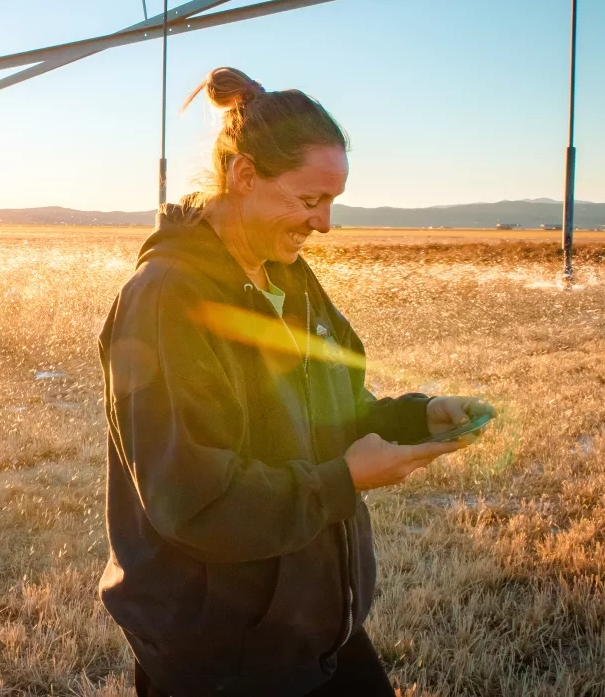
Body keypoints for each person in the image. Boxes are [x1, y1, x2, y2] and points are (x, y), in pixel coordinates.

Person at [98, 67, 496, 696]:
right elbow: (194, 501)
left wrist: (413, 416)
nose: (326, 224)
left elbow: (327, 408)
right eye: (310, 201)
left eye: (333, 201)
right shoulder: (168, 299)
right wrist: (345, 481)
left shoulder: (289, 277)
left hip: (309, 627)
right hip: (221, 653)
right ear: (245, 176)